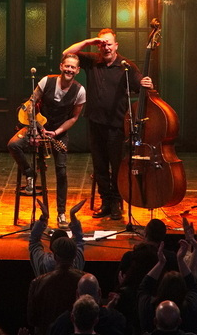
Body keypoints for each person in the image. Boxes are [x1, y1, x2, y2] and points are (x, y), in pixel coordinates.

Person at [63, 29, 153, 221]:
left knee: (117, 166)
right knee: (100, 166)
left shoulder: (126, 66)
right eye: (102, 44)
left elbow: (140, 84)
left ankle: (116, 203)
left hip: (116, 125)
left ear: (116, 45)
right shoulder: (93, 60)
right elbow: (67, 53)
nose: (106, 48)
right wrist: (89, 42)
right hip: (95, 122)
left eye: (109, 44)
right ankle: (105, 202)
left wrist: (146, 83)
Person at [7, 55, 86, 226]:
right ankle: (30, 173)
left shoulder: (80, 91)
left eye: (73, 67)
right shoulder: (46, 81)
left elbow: (74, 118)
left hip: (58, 132)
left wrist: (56, 132)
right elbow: (30, 104)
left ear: (78, 70)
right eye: (67, 66)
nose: (69, 70)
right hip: (37, 126)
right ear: (61, 66)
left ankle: (61, 213)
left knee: (62, 172)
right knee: (13, 145)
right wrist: (35, 128)